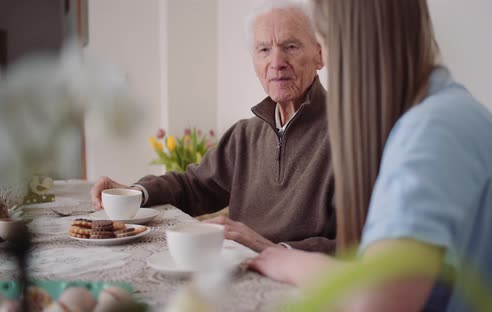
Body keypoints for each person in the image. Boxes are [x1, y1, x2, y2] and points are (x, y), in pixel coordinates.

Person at [248, 0, 492, 311]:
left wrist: (290, 263)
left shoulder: (433, 131)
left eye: (323, 45)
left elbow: (378, 299)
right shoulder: (442, 115)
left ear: (350, 45)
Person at [90, 0, 336, 254]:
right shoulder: (244, 135)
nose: (276, 62)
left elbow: (361, 247)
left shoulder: (348, 137)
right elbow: (191, 186)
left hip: (302, 284)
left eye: (290, 46)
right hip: (235, 269)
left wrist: (271, 249)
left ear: (319, 54)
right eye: (263, 49)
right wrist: (132, 193)